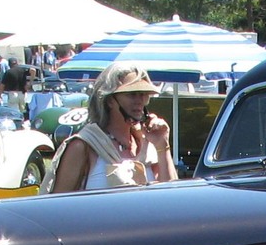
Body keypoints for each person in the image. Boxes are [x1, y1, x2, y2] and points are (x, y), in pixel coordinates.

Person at [48, 65, 176, 192]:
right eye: (131, 94)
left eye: (143, 94)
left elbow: (172, 197)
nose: (139, 100)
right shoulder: (84, 146)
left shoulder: (146, 144)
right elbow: (57, 206)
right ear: (109, 100)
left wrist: (162, 146)